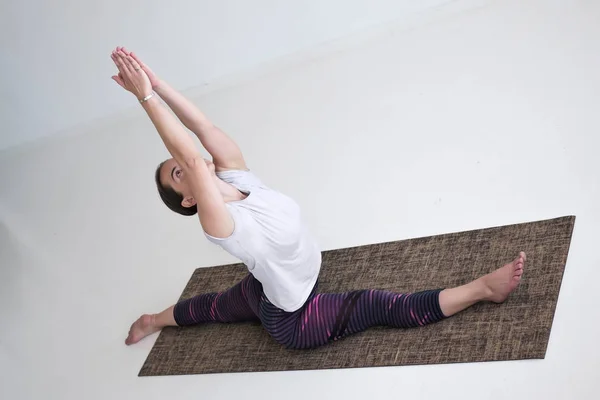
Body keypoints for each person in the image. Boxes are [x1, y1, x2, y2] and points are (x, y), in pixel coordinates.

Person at [110, 47, 526, 349]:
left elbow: (203, 129)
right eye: (178, 173)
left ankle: (151, 319)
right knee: (376, 304)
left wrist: (158, 83)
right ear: (188, 200)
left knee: (216, 304)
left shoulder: (236, 174)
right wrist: (144, 97)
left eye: (179, 160)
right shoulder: (218, 223)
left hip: (265, 289)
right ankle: (482, 290)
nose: (188, 160)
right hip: (293, 319)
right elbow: (192, 160)